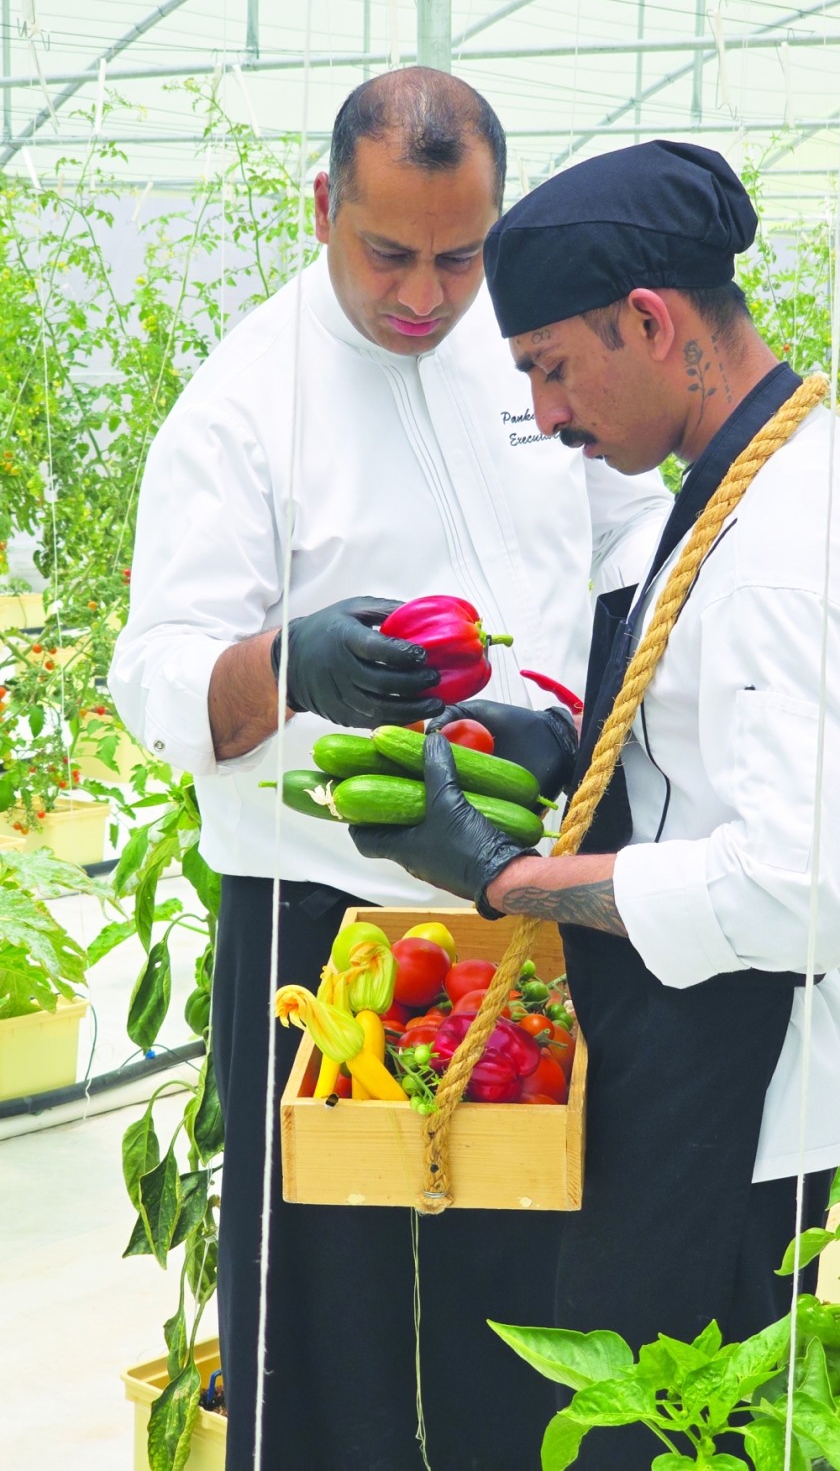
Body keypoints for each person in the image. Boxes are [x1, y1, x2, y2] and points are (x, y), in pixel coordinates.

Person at [109, 71, 672, 1471]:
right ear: (324, 209)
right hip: (322, 930)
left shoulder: (532, 358)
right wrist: (286, 668)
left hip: (528, 893)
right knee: (321, 1304)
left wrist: (564, 713)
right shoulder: (241, 408)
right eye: (390, 254)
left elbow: (627, 550)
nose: (427, 295)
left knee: (529, 1283)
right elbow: (154, 673)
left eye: (461, 255)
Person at [350, 138, 840, 1469]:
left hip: (742, 1103)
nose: (550, 417)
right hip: (690, 1075)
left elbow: (796, 886)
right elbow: (714, 748)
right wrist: (570, 746)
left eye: (551, 369)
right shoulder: (739, 486)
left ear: (650, 322)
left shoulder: (789, 545)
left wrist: (509, 879)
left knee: (678, 1435)